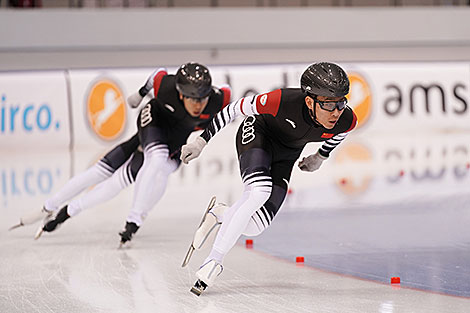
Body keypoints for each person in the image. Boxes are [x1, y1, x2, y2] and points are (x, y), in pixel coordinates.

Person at [180, 62, 357, 296]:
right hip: (258, 135)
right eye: (328, 104)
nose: (336, 112)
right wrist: (201, 142)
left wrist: (320, 156)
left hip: (287, 156)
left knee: (255, 227)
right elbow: (232, 110)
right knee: (259, 191)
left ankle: (222, 213)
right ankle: (213, 262)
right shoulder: (281, 101)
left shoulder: (346, 120)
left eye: (341, 102)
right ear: (309, 101)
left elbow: (339, 134)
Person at [12, 62, 231, 246]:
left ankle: (65, 212)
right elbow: (158, 73)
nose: (198, 105)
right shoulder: (166, 87)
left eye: (202, 98)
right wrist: (140, 94)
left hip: (175, 140)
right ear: (180, 94)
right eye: (193, 99)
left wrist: (202, 141)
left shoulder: (219, 100)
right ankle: (49, 206)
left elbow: (226, 99)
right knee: (144, 162)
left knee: (124, 181)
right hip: (154, 121)